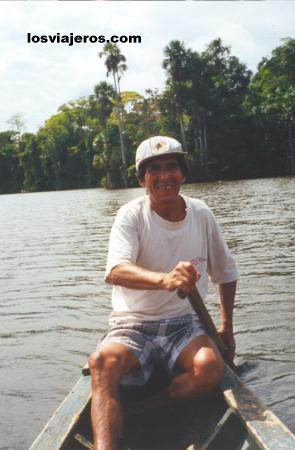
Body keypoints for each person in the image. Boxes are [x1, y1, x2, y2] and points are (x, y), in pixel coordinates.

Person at [88, 136, 239, 450]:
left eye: (172, 166)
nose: (164, 176)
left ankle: (140, 410)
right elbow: (116, 270)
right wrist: (165, 279)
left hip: (184, 323)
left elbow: (226, 273)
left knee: (210, 369)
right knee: (102, 364)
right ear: (143, 180)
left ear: (183, 174)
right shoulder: (131, 215)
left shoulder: (201, 214)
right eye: (154, 169)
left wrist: (226, 328)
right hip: (134, 323)